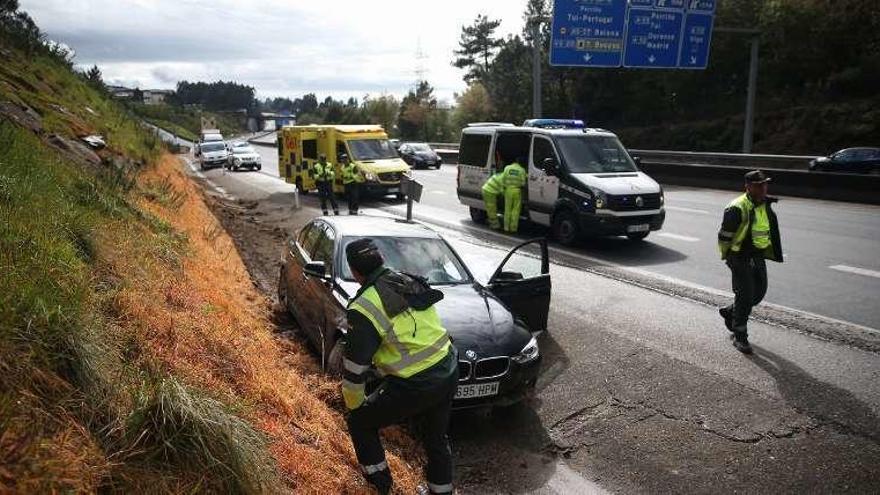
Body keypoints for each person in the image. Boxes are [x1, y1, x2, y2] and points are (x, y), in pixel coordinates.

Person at [342, 238, 458, 495]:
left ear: (354, 271)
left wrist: (354, 405)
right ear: (381, 259)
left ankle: (379, 487)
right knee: (436, 437)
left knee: (360, 423)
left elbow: (354, 370)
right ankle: (442, 492)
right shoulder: (406, 280)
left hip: (417, 382)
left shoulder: (364, 306)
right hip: (448, 367)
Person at [717, 170, 783, 354]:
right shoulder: (737, 207)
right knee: (745, 296)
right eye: (758, 185)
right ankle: (740, 337)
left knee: (758, 294)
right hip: (739, 257)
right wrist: (728, 256)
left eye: (765, 184)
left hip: (757, 256)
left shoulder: (763, 203)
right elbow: (724, 236)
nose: (763, 188)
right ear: (747, 187)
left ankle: (731, 312)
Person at [501, 156, 527, 233]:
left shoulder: (507, 168)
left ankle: (506, 227)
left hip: (508, 190)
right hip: (517, 191)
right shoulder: (522, 170)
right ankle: (513, 228)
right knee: (515, 210)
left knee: (507, 209)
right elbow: (523, 183)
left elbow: (503, 180)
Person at [481, 165, 504, 230]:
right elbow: (502, 190)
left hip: (486, 189)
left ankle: (492, 222)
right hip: (489, 192)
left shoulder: (499, 174)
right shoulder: (503, 178)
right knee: (492, 208)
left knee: (490, 208)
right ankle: (495, 225)